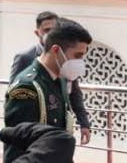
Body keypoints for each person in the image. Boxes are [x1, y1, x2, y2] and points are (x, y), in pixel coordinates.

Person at [4, 18, 93, 163]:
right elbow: (18, 149)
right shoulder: (27, 87)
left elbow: (59, 148)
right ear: (56, 50)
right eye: (77, 56)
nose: (80, 63)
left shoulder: (59, 82)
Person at [9, 12, 91, 145]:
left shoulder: (63, 72)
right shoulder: (26, 83)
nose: (80, 62)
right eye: (77, 56)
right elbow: (20, 137)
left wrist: (84, 123)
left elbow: (74, 94)